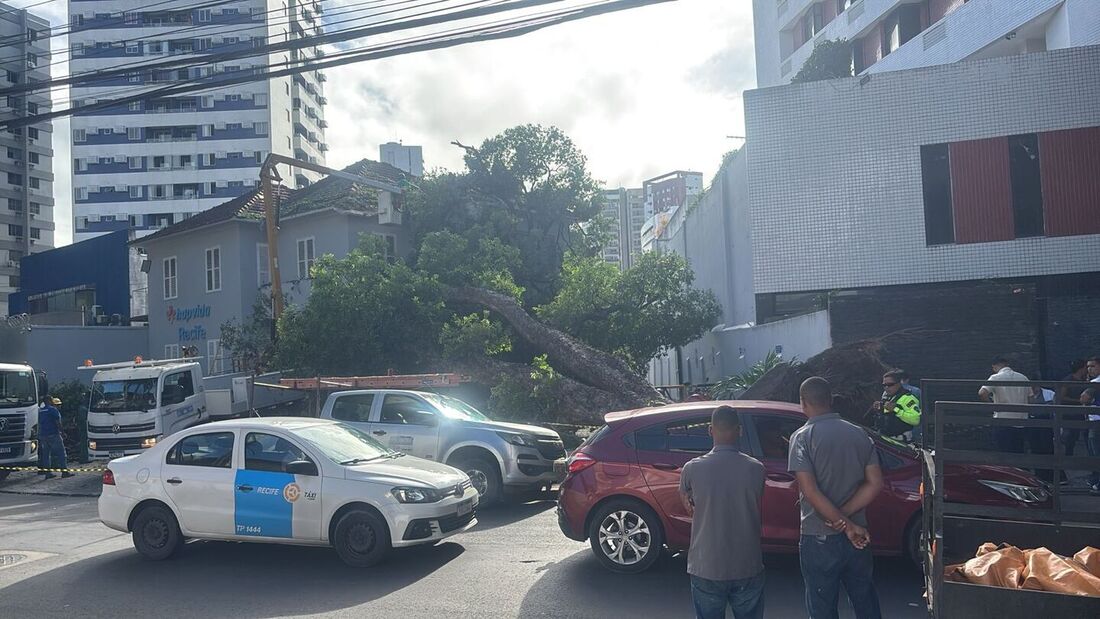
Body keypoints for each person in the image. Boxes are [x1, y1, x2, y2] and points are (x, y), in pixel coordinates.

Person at [790, 377, 883, 619]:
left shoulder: (802, 438)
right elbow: (875, 483)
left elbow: (810, 491)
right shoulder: (859, 434)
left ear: (803, 403)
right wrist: (850, 521)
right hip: (859, 535)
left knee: (822, 605)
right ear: (830, 400)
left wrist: (842, 522)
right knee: (864, 599)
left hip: (818, 535)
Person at [679, 406, 766, 619]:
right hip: (747, 563)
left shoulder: (691, 469)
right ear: (740, 431)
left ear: (710, 430)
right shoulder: (757, 469)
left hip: (706, 564)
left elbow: (687, 502)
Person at [870, 370, 921, 441]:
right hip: (884, 438)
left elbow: (916, 420)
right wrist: (879, 408)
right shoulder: (887, 397)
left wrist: (896, 410)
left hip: (900, 443)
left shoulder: (907, 398)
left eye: (890, 385)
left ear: (899, 384)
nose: (886, 387)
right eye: (884, 385)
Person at [1057, 360, 1089, 458]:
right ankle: (1068, 455)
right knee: (1070, 435)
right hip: (1070, 412)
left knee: (1083, 433)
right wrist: (1078, 401)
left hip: (1082, 412)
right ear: (1081, 368)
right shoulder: (1068, 380)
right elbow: (1062, 397)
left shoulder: (1085, 380)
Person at [37, 396, 71, 479]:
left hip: (43, 435)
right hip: (53, 434)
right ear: (49, 400)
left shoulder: (40, 411)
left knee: (46, 455)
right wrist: (62, 432)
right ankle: (64, 471)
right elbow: (57, 422)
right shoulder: (53, 410)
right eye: (51, 400)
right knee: (61, 453)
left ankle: (48, 473)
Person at [1080, 357, 1100, 494]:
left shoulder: (1096, 382)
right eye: (1088, 366)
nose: (1089, 369)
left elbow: (1084, 398)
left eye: (1092, 366)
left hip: (1096, 421)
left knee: (1096, 454)